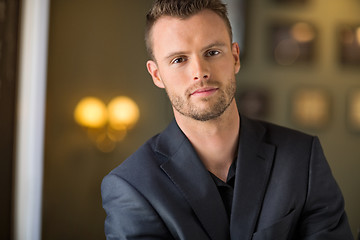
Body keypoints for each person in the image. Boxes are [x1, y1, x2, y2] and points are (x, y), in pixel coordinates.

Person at [101, 0, 354, 239]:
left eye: (212, 52)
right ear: (157, 75)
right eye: (179, 60)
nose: (200, 72)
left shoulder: (302, 157)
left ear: (234, 57)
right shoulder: (131, 187)